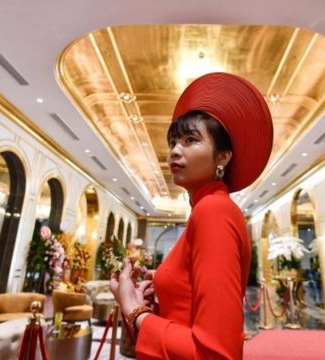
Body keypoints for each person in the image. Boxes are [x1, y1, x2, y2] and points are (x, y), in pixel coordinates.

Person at [111, 72, 273, 359]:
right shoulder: (207, 210)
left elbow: (215, 352)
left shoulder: (214, 211)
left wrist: (133, 309)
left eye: (190, 140)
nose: (174, 151)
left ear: (222, 157)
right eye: (173, 142)